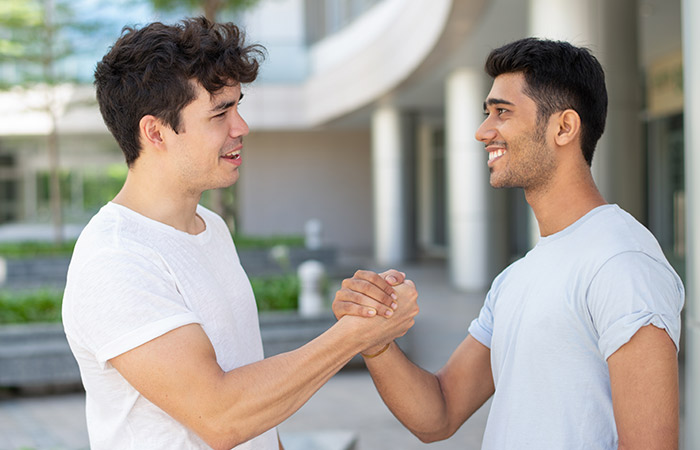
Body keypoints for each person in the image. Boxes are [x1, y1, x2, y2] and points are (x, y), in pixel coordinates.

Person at [61, 17, 418, 450]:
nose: (241, 127)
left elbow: (252, 405)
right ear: (155, 131)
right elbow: (222, 416)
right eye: (220, 112)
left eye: (237, 106)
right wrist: (358, 333)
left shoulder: (211, 227)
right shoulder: (115, 258)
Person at [332, 37, 685, 450]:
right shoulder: (518, 276)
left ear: (565, 127)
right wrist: (375, 341)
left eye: (502, 112)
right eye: (487, 113)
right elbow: (439, 413)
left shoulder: (622, 263)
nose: (483, 132)